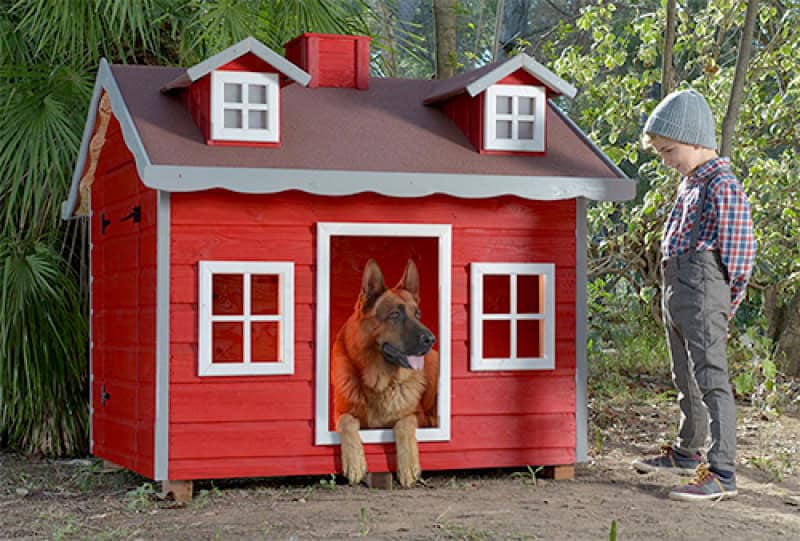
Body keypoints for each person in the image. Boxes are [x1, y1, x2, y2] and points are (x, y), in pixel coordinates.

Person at [631, 89, 756, 501]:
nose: (666, 160)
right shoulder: (690, 184)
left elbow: (739, 256)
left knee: (710, 379)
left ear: (697, 140)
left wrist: (723, 303)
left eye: (670, 150)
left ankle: (721, 471)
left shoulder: (721, 184)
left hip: (704, 291)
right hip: (678, 290)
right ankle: (688, 449)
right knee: (683, 374)